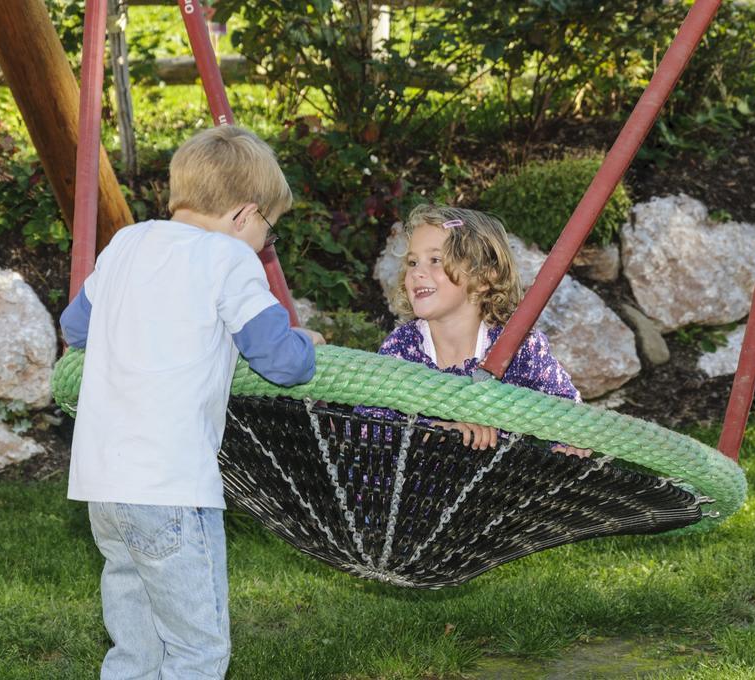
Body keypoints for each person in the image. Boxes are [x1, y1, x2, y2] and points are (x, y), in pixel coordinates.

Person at [58, 124, 324, 679]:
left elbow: (75, 327)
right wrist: (308, 341)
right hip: (170, 485)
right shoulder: (230, 260)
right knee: (197, 650)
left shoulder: (126, 243)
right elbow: (283, 361)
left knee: (136, 646)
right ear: (244, 215)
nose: (264, 246)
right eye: (269, 233)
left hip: (104, 485)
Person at [368, 203, 587, 453]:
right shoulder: (402, 347)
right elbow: (368, 424)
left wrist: (570, 444)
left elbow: (567, 409)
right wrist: (433, 431)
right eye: (413, 262)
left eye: (435, 260)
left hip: (492, 487)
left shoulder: (518, 348)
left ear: (484, 277)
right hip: (416, 487)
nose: (417, 273)